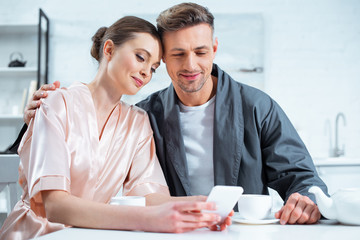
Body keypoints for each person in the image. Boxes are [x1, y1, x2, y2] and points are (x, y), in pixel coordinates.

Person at [12, 2, 328, 226]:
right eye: (177, 54)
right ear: (166, 60)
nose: (190, 65)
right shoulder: (149, 113)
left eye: (201, 52)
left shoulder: (256, 106)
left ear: (214, 49)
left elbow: (301, 177)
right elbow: (140, 199)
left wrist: (305, 199)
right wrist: (40, 115)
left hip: (231, 231)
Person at [0, 16, 227, 240]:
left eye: (154, 67)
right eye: (140, 57)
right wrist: (146, 219)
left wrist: (203, 206)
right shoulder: (57, 102)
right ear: (108, 50)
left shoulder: (137, 121)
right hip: (36, 234)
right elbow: (56, 206)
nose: (146, 72)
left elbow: (148, 197)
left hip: (85, 234)